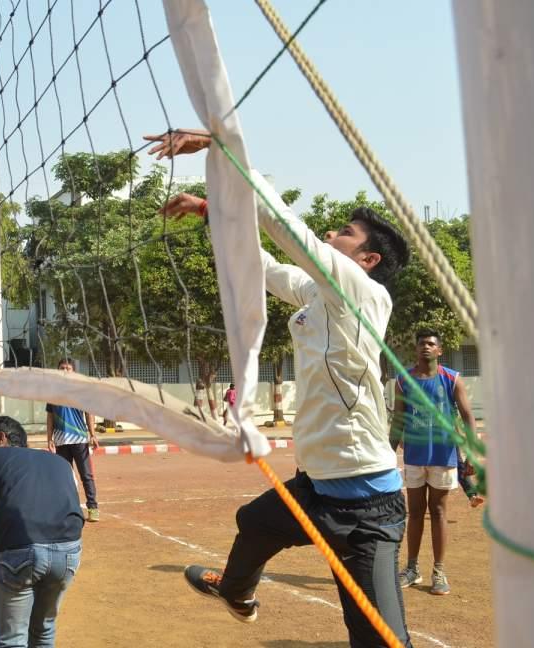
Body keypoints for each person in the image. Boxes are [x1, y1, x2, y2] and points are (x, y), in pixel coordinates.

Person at [148, 129, 413, 646]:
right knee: (254, 522)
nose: (334, 234)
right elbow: (260, 265)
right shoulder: (317, 294)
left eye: (346, 233)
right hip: (315, 488)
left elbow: (290, 232)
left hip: (368, 504)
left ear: (368, 260)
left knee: (380, 640)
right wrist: (211, 212)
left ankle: (241, 589)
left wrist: (226, 151)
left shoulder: (362, 292)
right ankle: (237, 593)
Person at [0, 415, 84, 648]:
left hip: (19, 552)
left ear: (1, 438)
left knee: (11, 640)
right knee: (44, 630)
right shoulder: (60, 463)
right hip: (69, 551)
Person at [390, 329, 481, 596]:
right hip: (415, 457)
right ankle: (412, 568)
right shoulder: (404, 380)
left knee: (438, 512)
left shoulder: (452, 379)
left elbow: (467, 416)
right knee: (415, 513)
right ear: (416, 349)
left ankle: (439, 571)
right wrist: (388, 452)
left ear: (439, 350)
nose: (425, 347)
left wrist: (472, 452)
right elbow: (398, 420)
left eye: (431, 344)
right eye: (421, 343)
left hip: (443, 455)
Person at [45, 358, 100, 522]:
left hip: (79, 439)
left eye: (68, 368)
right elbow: (50, 417)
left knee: (86, 476)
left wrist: (93, 434)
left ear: (73, 371)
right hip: (61, 441)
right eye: (62, 368)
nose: (65, 370)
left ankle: (93, 508)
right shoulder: (52, 392)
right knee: (65, 477)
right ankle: (71, 508)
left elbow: (89, 413)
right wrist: (49, 438)